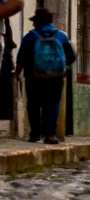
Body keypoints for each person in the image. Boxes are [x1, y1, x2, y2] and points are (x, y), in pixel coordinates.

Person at [18, 8, 74, 144]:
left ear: (36, 22)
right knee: (53, 103)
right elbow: (71, 57)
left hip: (34, 76)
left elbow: (21, 58)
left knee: (33, 104)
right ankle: (50, 135)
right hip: (56, 77)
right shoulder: (61, 36)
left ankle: (35, 134)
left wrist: (16, 73)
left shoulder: (29, 37)